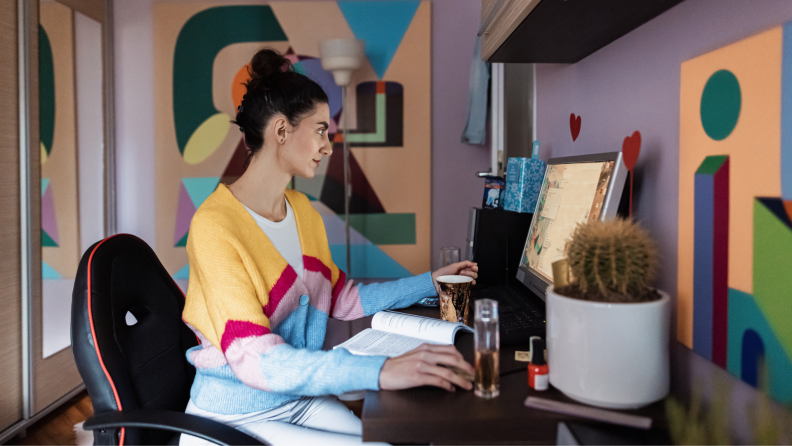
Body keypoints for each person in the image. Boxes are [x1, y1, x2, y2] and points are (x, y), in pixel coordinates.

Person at [179, 48, 478, 446]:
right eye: (321, 129)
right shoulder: (215, 226)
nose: (328, 145)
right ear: (282, 131)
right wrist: (381, 370)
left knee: (395, 438)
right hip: (235, 413)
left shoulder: (302, 211)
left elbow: (342, 298)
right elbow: (255, 358)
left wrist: (431, 282)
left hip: (296, 397)